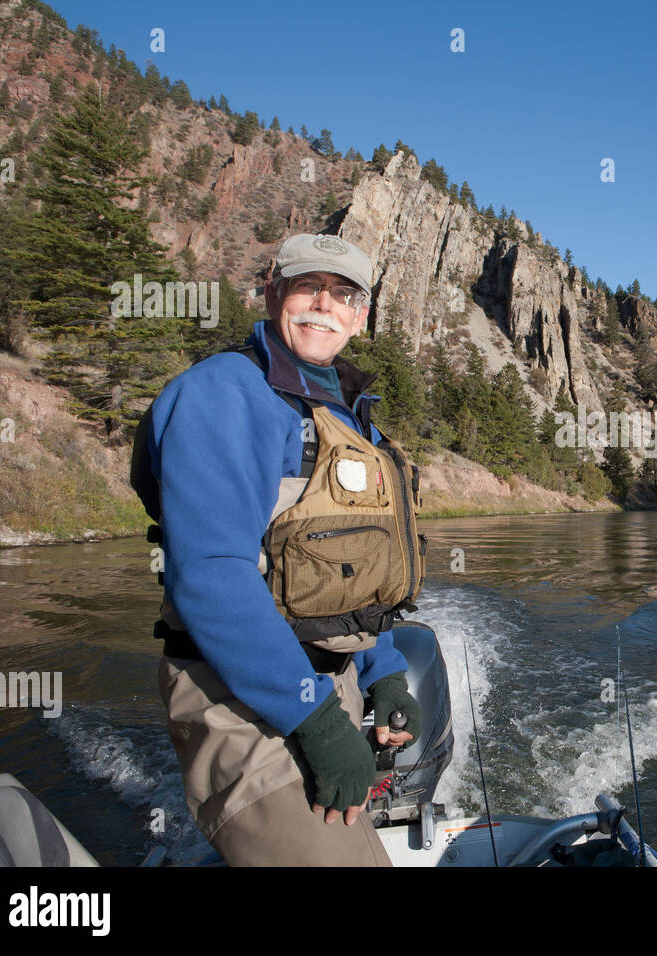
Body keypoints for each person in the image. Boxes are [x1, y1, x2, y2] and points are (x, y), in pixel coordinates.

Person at [135, 233, 423, 866]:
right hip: (242, 702)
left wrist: (385, 671)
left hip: (325, 689)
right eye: (305, 287)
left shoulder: (347, 414)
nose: (324, 304)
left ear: (360, 314)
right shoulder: (223, 394)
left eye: (342, 293)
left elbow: (358, 572)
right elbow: (211, 575)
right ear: (271, 294)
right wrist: (316, 722)